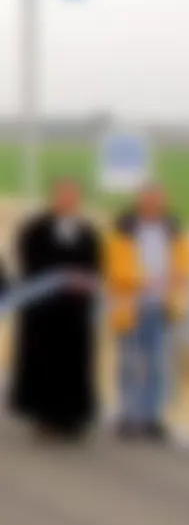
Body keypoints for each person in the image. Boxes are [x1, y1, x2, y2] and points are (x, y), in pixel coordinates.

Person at [9, 177, 102, 439]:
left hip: (75, 310)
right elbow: (28, 259)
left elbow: (95, 265)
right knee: (45, 362)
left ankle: (72, 417)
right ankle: (45, 416)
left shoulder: (87, 232)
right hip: (44, 310)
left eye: (73, 196)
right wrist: (58, 277)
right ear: (55, 197)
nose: (68, 200)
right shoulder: (35, 229)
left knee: (74, 362)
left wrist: (84, 280)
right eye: (64, 195)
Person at [106, 182, 189, 441]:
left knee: (157, 363)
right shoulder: (124, 229)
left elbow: (185, 260)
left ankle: (151, 418)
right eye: (149, 199)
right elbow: (115, 266)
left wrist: (178, 278)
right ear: (140, 202)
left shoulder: (171, 228)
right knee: (130, 363)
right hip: (130, 307)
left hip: (161, 306)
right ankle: (129, 415)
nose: (154, 204)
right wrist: (141, 280)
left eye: (158, 200)